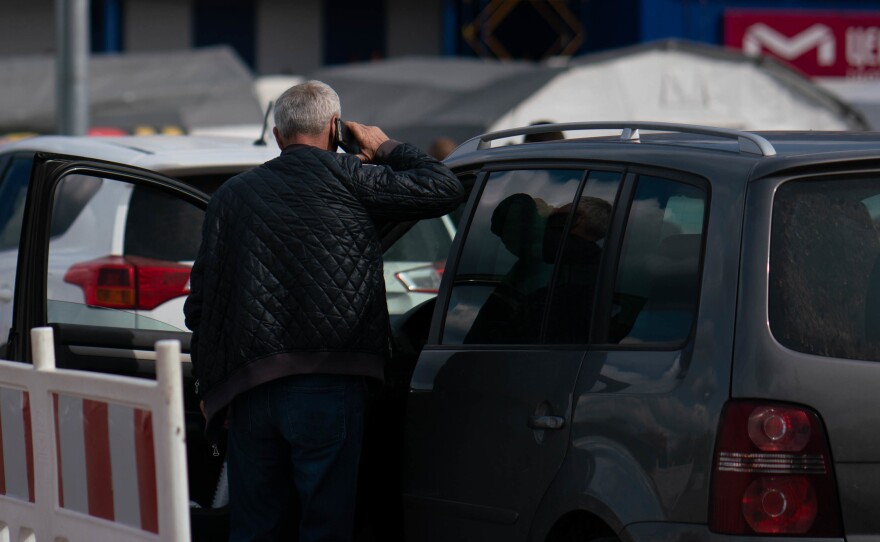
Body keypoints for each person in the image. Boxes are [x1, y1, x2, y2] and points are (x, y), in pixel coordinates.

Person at [183, 80, 464, 542]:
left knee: (254, 526)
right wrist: (382, 143)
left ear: (277, 136)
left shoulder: (233, 196)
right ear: (335, 129)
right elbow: (445, 187)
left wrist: (216, 390)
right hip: (331, 381)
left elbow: (203, 304)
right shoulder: (354, 179)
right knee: (326, 524)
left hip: (251, 387)